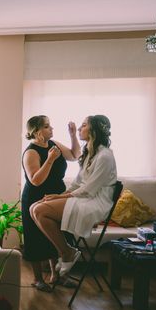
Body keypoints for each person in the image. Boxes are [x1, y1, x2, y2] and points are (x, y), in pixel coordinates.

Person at [30, 115, 117, 278]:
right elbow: (78, 183)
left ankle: (67, 252)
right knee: (34, 207)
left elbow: (89, 190)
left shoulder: (105, 156)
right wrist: (59, 195)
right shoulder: (91, 153)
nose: (79, 128)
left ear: (94, 131)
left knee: (39, 211)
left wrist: (58, 198)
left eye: (83, 125)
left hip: (95, 202)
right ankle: (67, 251)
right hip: (84, 197)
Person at [21, 116, 81, 292]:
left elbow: (75, 155)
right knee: (35, 237)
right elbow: (36, 180)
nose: (51, 128)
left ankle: (58, 275)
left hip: (56, 195)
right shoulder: (30, 152)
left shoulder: (53, 144)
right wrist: (49, 159)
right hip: (35, 197)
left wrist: (72, 136)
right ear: (37, 131)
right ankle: (38, 279)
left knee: (57, 233)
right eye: (47, 126)